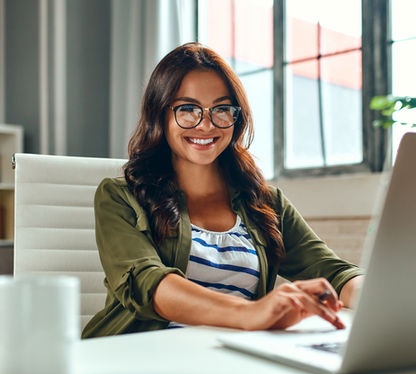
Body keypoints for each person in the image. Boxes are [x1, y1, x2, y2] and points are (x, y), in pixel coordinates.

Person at [82, 42, 363, 338]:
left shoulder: (266, 202)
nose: (206, 125)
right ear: (160, 114)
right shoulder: (119, 197)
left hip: (229, 360)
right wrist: (253, 312)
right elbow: (149, 284)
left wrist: (382, 297)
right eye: (188, 110)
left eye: (221, 109)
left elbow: (334, 273)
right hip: (135, 359)